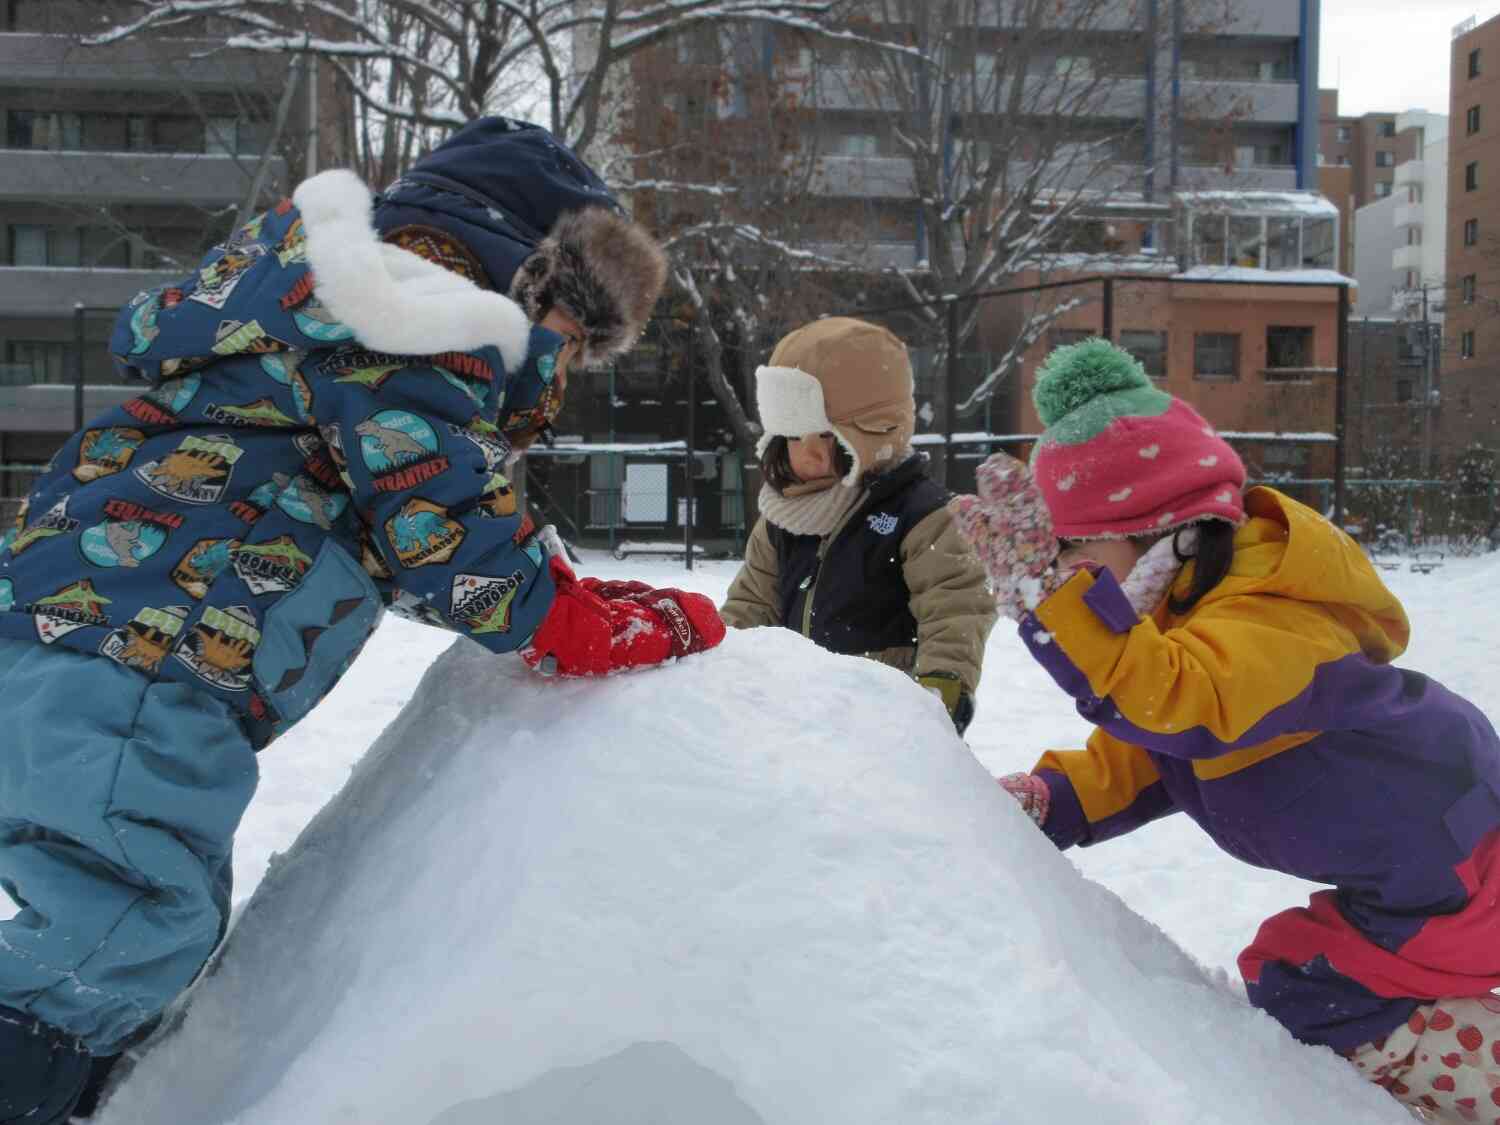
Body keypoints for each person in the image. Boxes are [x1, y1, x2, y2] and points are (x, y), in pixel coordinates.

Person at [0, 117, 724, 1123]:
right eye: (563, 344)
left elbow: (389, 518)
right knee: (119, 927)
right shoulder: (414, 317)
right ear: (532, 278)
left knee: (149, 911)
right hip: (143, 655)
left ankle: (87, 1096)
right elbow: (445, 529)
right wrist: (567, 620)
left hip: (82, 637)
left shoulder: (316, 316)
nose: (554, 378)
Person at [952, 337, 1500, 1122]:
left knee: (1311, 990)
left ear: (1157, 529)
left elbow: (1182, 704)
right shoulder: (1183, 619)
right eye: (1057, 554)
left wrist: (1054, 602)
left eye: (1074, 548)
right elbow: (1152, 749)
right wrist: (1056, 796)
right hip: (1424, 860)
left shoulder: (1266, 612)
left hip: (1461, 860)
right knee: (1296, 977)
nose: (1067, 568)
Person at [720, 317, 996, 733]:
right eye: (794, 437)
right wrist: (724, 669)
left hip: (883, 717)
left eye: (826, 437)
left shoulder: (923, 516)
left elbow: (954, 609)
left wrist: (943, 690)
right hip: (791, 715)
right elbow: (750, 605)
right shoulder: (781, 519)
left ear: (873, 429)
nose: (807, 454)